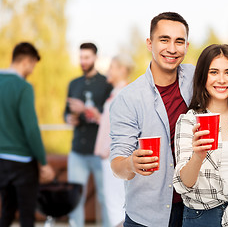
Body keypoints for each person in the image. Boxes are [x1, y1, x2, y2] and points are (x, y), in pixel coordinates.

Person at [109, 12, 194, 227]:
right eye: (164, 40)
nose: (172, 49)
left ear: (186, 45)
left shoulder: (195, 78)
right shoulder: (129, 98)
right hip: (147, 216)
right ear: (150, 43)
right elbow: (117, 164)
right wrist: (131, 163)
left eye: (179, 41)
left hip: (195, 209)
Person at [173, 44, 228, 227]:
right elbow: (184, 184)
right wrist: (198, 156)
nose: (222, 80)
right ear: (203, 77)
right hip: (201, 217)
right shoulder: (189, 122)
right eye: (214, 72)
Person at [0, 42, 55, 227]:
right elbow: (31, 129)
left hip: (1, 160)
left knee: (6, 212)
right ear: (26, 61)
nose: (31, 70)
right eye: (32, 65)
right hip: (22, 163)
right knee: (26, 216)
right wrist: (43, 162)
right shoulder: (23, 87)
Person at [64, 43, 112, 227]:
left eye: (87, 57)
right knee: (74, 197)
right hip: (77, 150)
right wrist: (69, 118)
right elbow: (65, 113)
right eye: (81, 57)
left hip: (100, 152)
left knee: (105, 196)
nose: (83, 61)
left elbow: (109, 115)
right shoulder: (73, 84)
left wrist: (85, 110)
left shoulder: (106, 84)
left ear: (95, 58)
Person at [93, 55, 135, 227]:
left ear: (122, 70)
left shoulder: (124, 94)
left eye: (112, 67)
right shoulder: (115, 93)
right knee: (114, 203)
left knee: (115, 204)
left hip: (114, 156)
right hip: (109, 155)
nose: (108, 71)